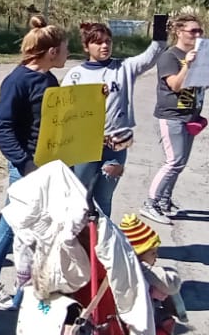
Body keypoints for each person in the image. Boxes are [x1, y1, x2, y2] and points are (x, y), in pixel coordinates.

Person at [0, 16, 69, 309]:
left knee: (34, 228)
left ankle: (25, 291)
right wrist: (24, 162)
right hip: (26, 168)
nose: (69, 54)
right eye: (66, 48)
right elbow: (1, 129)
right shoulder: (16, 82)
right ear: (52, 51)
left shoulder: (49, 79)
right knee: (11, 222)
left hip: (48, 165)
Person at [61, 20, 167, 217]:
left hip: (115, 146)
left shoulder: (124, 68)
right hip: (84, 145)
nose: (104, 46)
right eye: (98, 42)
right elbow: (62, 113)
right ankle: (75, 242)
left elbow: (152, 55)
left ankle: (102, 243)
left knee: (104, 199)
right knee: (78, 196)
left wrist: (161, 26)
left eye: (108, 41)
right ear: (86, 47)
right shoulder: (75, 75)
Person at [141, 14, 209, 225]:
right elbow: (176, 86)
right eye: (193, 31)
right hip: (172, 116)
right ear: (179, 32)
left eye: (200, 31)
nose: (197, 35)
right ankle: (150, 203)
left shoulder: (198, 54)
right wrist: (187, 65)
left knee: (181, 163)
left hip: (191, 114)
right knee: (174, 161)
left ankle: (164, 201)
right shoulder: (170, 57)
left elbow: (197, 85)